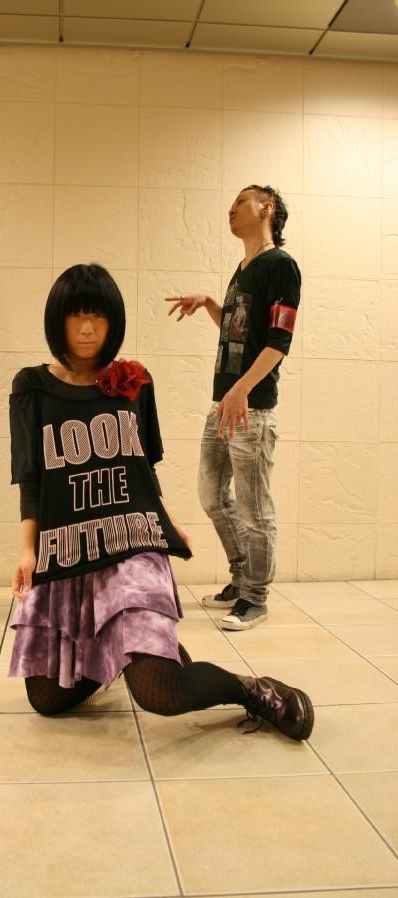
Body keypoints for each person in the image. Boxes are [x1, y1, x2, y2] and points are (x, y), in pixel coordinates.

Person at [7, 263, 313, 741]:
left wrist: (166, 521)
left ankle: (253, 689)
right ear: (57, 319)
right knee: (46, 700)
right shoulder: (31, 386)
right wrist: (28, 550)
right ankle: (136, 649)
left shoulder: (134, 380)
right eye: (76, 315)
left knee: (160, 693)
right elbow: (31, 477)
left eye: (98, 316)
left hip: (131, 542)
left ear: (113, 321)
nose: (87, 328)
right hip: (68, 549)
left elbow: (142, 466)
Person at [167, 185, 300, 631]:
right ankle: (242, 579)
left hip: (252, 408)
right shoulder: (244, 268)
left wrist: (242, 389)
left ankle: (255, 598)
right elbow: (240, 332)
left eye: (240, 202)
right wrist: (211, 304)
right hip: (226, 403)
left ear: (267, 208)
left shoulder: (282, 266)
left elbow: (278, 343)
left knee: (254, 509)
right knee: (212, 495)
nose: (230, 210)